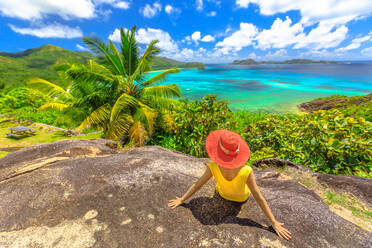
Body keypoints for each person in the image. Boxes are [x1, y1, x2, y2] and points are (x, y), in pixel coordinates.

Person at [168, 129, 292, 241]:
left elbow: (197, 185)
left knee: (218, 189)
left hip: (221, 194)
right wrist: (273, 222)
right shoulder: (246, 171)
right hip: (241, 199)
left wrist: (182, 200)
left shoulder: (213, 166)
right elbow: (259, 197)